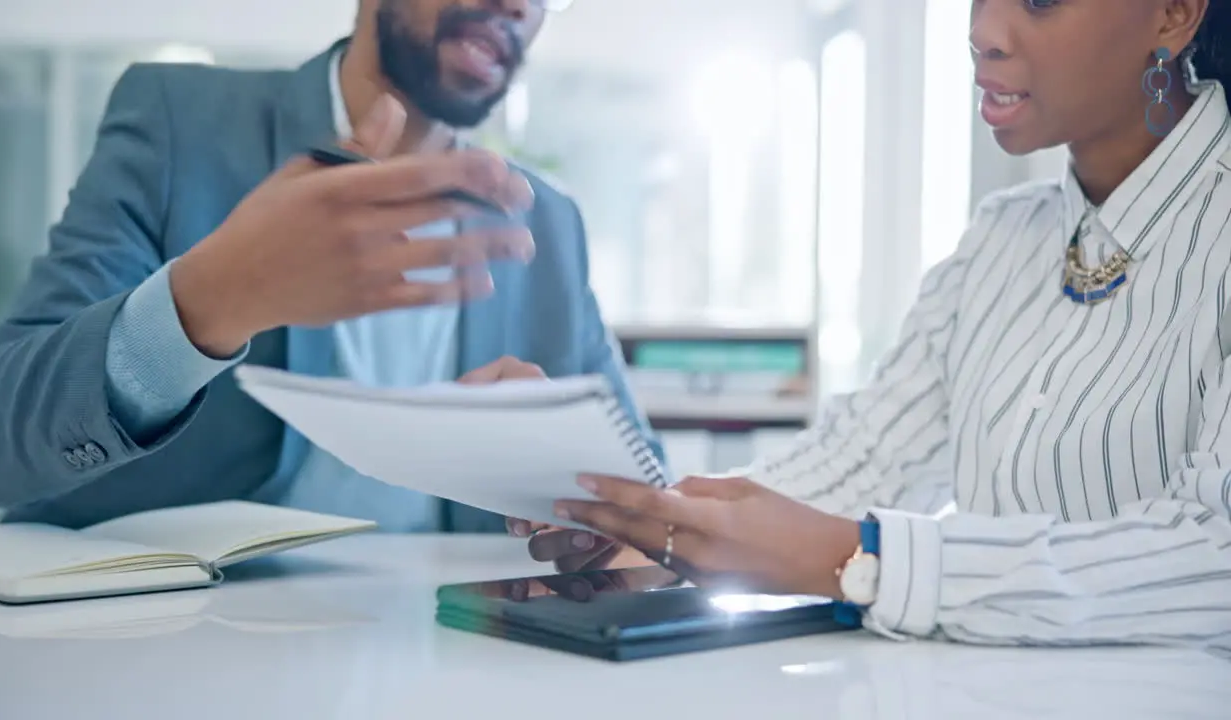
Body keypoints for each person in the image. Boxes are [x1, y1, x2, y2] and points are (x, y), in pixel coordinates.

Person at [517, 0, 1231, 654]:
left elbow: (1213, 560)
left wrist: (856, 560)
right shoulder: (1002, 239)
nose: (982, 31)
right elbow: (863, 462)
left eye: (1039, 0)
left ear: (1174, 14)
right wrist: (648, 528)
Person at [0, 0, 658, 532]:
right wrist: (207, 302)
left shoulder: (546, 225)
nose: (519, 3)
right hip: (172, 656)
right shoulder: (180, 125)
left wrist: (566, 475)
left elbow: (650, 501)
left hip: (446, 661)